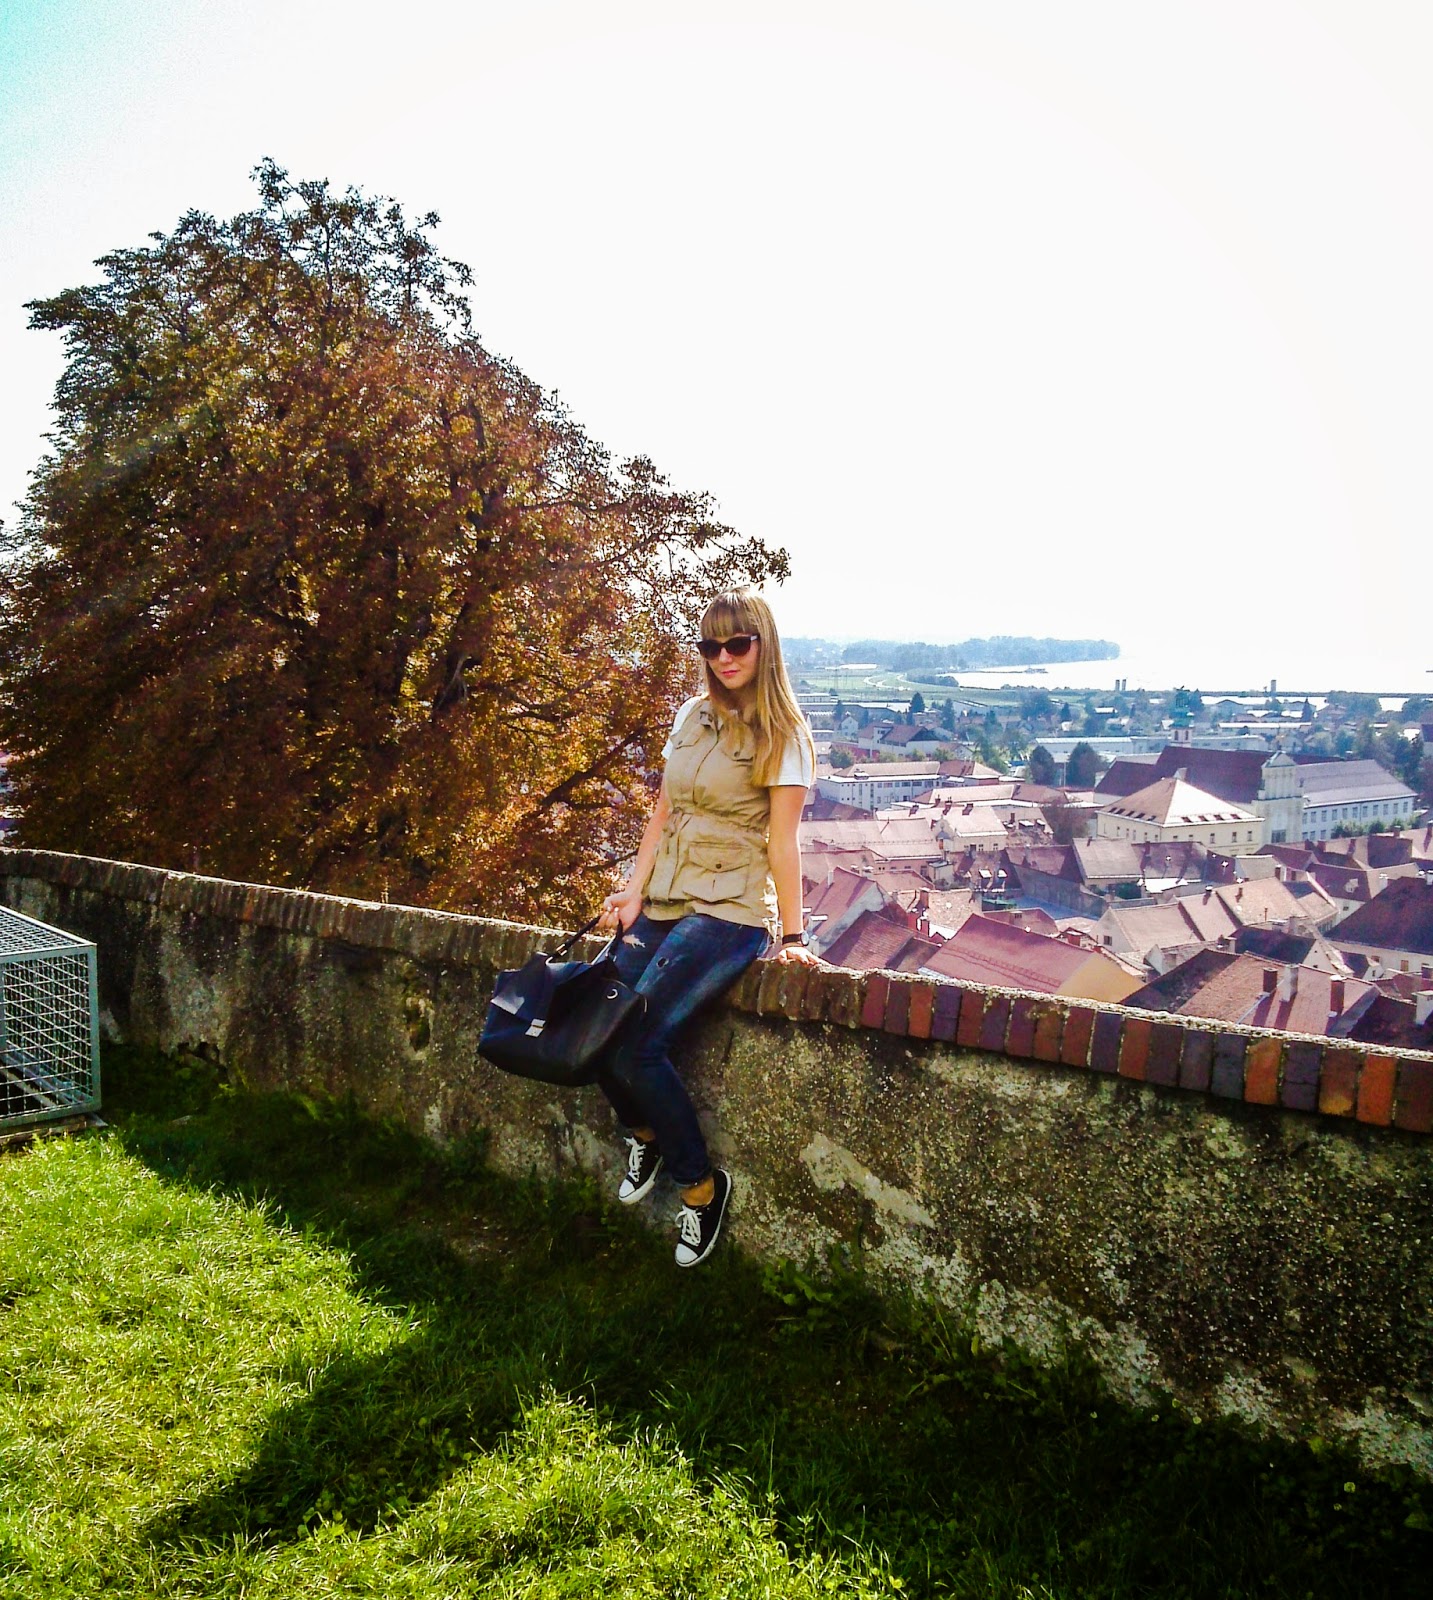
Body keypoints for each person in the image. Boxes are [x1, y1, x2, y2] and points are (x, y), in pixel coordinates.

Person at [595, 587, 820, 1267]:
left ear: (762, 645)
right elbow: (663, 813)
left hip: (727, 911)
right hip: (665, 898)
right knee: (597, 1019)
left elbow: (783, 843)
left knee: (639, 1045)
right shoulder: (692, 716)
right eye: (710, 645)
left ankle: (699, 1189)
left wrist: (792, 937)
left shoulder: (784, 735)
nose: (724, 657)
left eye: (737, 643)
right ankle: (645, 1133)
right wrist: (632, 891)